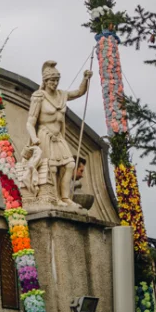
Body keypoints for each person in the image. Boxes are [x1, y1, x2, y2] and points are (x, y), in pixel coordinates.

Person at [26, 61, 91, 207]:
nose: (54, 84)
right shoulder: (39, 96)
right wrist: (34, 137)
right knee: (52, 167)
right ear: (45, 81)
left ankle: (65, 197)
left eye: (57, 80)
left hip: (58, 137)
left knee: (69, 165)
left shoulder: (62, 95)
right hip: (44, 135)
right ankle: (55, 198)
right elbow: (30, 121)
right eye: (51, 81)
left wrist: (85, 79)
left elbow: (79, 92)